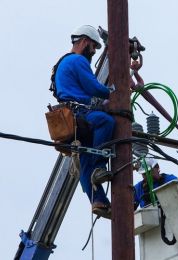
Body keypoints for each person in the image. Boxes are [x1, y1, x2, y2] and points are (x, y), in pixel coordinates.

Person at [54, 25, 114, 219]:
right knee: (105, 121)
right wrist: (115, 91)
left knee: (85, 158)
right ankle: (100, 167)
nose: (94, 52)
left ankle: (99, 201)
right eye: (94, 47)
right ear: (85, 41)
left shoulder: (63, 63)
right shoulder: (78, 60)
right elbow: (93, 86)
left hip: (70, 117)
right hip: (79, 113)